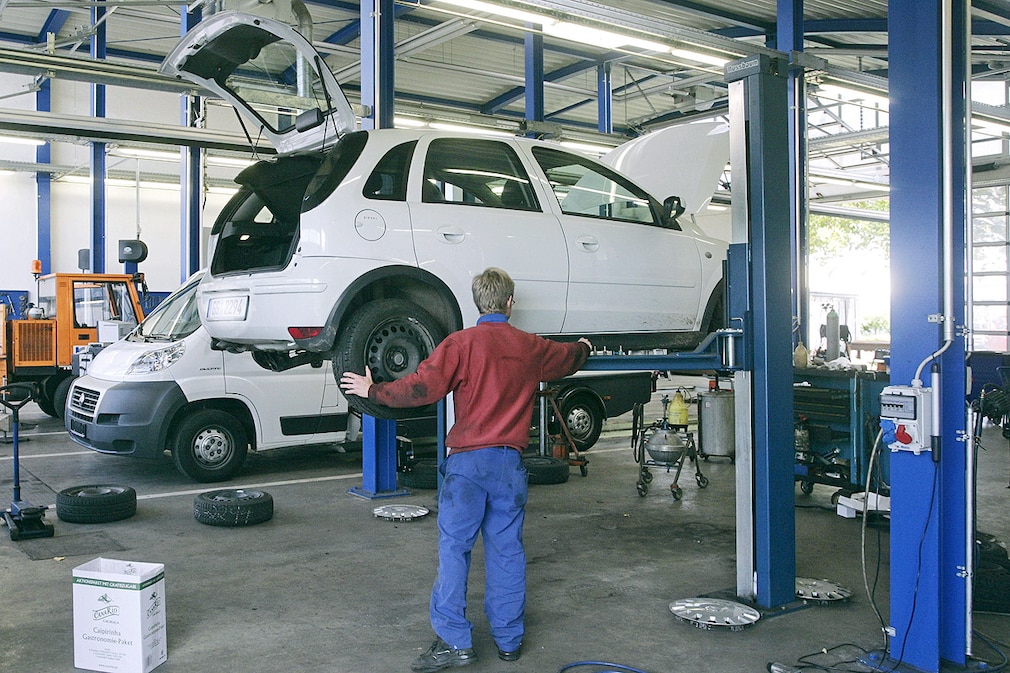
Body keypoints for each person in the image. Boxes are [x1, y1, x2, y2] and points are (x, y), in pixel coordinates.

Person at [340, 267, 591, 673]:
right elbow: (568, 359)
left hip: (467, 466)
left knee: (455, 551)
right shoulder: (530, 347)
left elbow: (422, 387)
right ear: (510, 303)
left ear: (478, 303)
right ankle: (509, 642)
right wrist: (584, 346)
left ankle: (456, 643)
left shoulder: (460, 344)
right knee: (507, 551)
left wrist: (373, 391)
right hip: (509, 464)